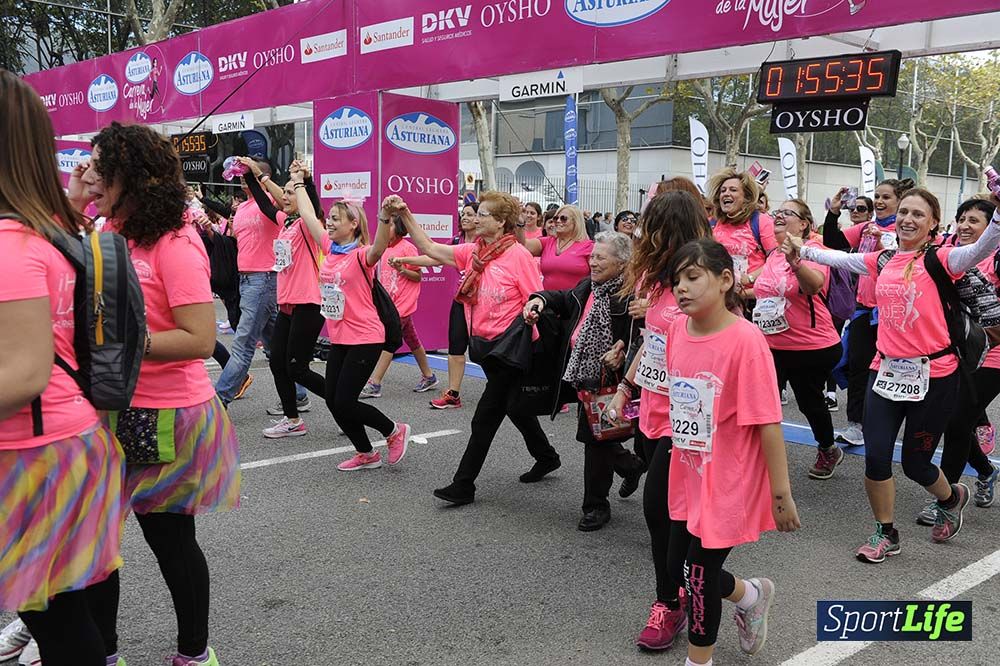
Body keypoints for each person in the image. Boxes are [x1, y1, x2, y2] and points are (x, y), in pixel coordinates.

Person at [73, 122, 241, 666]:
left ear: (132, 176)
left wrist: (119, 340)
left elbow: (198, 338)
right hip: (107, 410)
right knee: (96, 543)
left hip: (166, 415)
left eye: (99, 167)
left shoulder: (173, 240)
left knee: (168, 540)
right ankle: (105, 653)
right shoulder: (105, 231)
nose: (89, 175)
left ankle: (195, 653)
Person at [788, 187, 1000, 561]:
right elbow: (838, 258)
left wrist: (998, 213)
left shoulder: (945, 260)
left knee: (917, 464)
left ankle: (951, 497)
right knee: (877, 457)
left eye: (918, 214)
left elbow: (982, 249)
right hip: (884, 372)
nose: (907, 219)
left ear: (934, 223)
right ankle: (886, 533)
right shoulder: (882, 259)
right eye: (904, 212)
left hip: (935, 376)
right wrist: (801, 250)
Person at [0, 69, 126, 666]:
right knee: (59, 609)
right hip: (56, 439)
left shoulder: (14, 240)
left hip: (34, 448)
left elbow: (23, 372)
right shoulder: (37, 231)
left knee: (55, 615)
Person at [658, 238, 801, 664]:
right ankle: (751, 594)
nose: (681, 287)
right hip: (687, 471)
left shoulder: (746, 340)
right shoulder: (675, 330)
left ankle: (698, 660)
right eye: (676, 280)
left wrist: (781, 494)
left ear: (725, 280)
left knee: (699, 576)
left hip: (728, 477)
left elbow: (767, 422)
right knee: (678, 569)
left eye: (693, 276)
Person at [398, 191, 561, 505]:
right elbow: (430, 248)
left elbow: (537, 298)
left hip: (510, 351)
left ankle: (464, 485)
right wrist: (405, 213)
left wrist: (532, 312)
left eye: (483, 214)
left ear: (500, 222)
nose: (474, 217)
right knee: (513, 407)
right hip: (484, 347)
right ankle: (547, 455)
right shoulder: (477, 252)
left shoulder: (519, 256)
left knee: (484, 417)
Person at [609, 189, 711, 651]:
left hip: (686, 420)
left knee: (660, 513)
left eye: (654, 227)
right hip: (650, 412)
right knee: (672, 521)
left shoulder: (702, 280)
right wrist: (626, 389)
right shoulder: (655, 281)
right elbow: (653, 343)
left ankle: (669, 602)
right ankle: (695, 588)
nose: (645, 235)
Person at [524, 232, 644, 531]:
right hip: (584, 377)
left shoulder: (628, 296)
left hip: (613, 380)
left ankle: (595, 506)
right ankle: (631, 466)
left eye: (601, 258)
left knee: (595, 441)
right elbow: (562, 298)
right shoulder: (588, 287)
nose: (593, 262)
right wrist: (538, 299)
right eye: (592, 256)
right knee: (600, 438)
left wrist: (621, 355)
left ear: (622, 263)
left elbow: (641, 337)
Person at [306, 193, 411, 471]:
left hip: (366, 337)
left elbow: (380, 245)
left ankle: (393, 430)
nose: (328, 223)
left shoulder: (362, 255)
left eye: (336, 219)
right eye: (328, 218)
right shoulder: (330, 249)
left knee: (345, 401)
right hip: (340, 336)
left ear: (353, 224)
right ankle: (366, 453)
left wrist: (385, 215)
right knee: (332, 400)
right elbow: (307, 214)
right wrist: (298, 182)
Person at [752, 200, 844, 479]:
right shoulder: (773, 256)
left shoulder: (815, 251)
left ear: (803, 224)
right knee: (760, 401)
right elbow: (766, 293)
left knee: (809, 403)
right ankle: (753, 459)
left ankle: (828, 448)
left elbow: (814, 285)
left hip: (811, 346)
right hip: (771, 344)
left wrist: (797, 262)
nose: (779, 215)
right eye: (777, 212)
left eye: (787, 213)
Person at [238, 159, 326, 439]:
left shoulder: (307, 225)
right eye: (283, 193)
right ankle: (292, 420)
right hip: (287, 305)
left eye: (289, 193)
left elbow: (310, 203)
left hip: (308, 303)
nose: (283, 197)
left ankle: (343, 402)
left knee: (297, 368)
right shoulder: (285, 224)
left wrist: (304, 182)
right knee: (278, 362)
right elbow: (266, 206)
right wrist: (250, 175)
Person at [822, 178, 913, 447]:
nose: (880, 202)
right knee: (859, 368)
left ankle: (899, 423)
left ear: (900, 200)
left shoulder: (907, 229)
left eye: (886, 197)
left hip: (896, 312)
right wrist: (834, 211)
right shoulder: (866, 228)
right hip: (864, 310)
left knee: (897, 371)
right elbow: (833, 242)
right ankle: (856, 425)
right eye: (877, 196)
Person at [926, 197, 1000, 522]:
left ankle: (947, 498)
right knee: (953, 420)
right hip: (957, 353)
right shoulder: (951, 255)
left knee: (956, 421)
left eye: (975, 221)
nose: (966, 226)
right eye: (962, 219)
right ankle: (985, 470)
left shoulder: (996, 258)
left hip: (994, 355)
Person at [213, 157, 282, 406]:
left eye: (249, 172)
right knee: (276, 348)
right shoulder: (241, 208)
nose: (243, 176)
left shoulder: (273, 202)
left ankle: (218, 402)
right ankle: (297, 394)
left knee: (243, 344)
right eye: (241, 172)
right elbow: (237, 244)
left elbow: (284, 202)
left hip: (263, 278)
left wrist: (258, 175)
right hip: (246, 280)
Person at [360, 217, 439, 398]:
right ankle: (429, 376)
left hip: (402, 306)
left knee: (389, 341)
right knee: (412, 339)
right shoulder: (382, 249)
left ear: (399, 227)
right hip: (388, 305)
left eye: (390, 224)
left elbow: (417, 276)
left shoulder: (407, 248)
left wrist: (402, 269)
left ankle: (375, 383)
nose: (386, 227)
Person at [422, 202, 479, 409]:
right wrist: (406, 260)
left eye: (470, 214)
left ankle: (503, 389)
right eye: (463, 214)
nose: (464, 217)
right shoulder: (457, 240)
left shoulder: (488, 243)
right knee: (456, 346)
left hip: (484, 303)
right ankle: (453, 393)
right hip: (460, 300)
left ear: (479, 219)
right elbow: (433, 256)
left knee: (489, 349)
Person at [706, 168, 777, 289]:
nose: (726, 193)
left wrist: (750, 278)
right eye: (723, 191)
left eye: (733, 190)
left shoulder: (762, 221)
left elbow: (777, 260)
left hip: (752, 298)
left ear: (746, 198)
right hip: (719, 294)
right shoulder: (711, 223)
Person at [521, 204, 594, 290]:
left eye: (563, 218)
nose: (558, 221)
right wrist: (519, 221)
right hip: (547, 300)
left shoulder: (588, 247)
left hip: (574, 301)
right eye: (556, 218)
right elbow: (523, 245)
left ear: (575, 222)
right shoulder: (548, 242)